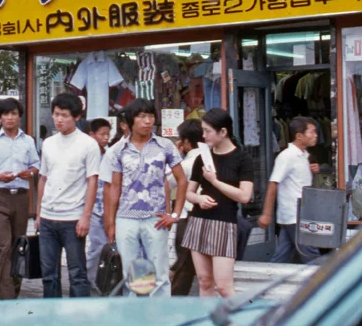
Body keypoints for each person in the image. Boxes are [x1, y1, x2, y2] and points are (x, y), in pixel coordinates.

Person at [103, 99, 187, 297]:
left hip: (155, 218)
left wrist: (174, 214)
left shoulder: (165, 146)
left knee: (159, 273)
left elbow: (181, 180)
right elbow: (114, 187)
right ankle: (135, 320)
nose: (147, 121)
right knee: (132, 275)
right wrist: (111, 222)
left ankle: (159, 319)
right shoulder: (118, 149)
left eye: (150, 116)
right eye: (142, 116)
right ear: (131, 121)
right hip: (126, 218)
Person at [183, 108, 255, 298]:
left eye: (208, 131)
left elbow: (244, 196)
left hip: (225, 223)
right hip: (199, 221)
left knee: (223, 286)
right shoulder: (202, 158)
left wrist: (214, 181)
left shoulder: (243, 159)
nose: (204, 135)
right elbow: (188, 193)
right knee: (204, 281)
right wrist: (199, 198)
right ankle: (207, 324)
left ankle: (234, 324)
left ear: (223, 132)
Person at [37, 93, 101, 298]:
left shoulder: (88, 144)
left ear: (76, 117)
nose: (59, 119)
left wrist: (85, 217)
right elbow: (43, 179)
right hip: (48, 218)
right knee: (48, 274)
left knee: (77, 274)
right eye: (56, 114)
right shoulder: (48, 143)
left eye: (64, 115)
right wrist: (38, 214)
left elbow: (93, 181)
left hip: (73, 219)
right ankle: (52, 316)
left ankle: (78, 319)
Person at [0, 97, 40, 300]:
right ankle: (6, 297)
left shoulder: (28, 140)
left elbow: (36, 166)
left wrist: (28, 173)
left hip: (21, 198)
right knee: (2, 247)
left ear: (20, 116)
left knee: (18, 246)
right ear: (0, 118)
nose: (10, 118)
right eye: (6, 114)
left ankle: (14, 292)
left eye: (13, 114)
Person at [258, 117, 321, 264]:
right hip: (295, 214)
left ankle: (270, 280)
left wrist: (314, 171)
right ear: (299, 136)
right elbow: (273, 183)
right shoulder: (286, 156)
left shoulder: (304, 156)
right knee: (311, 254)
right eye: (311, 132)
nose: (316, 135)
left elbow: (298, 180)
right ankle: (324, 284)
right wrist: (267, 214)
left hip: (297, 214)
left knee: (282, 255)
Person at [169, 119, 203, 296]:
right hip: (205, 217)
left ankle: (174, 300)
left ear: (186, 141)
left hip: (186, 218)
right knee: (188, 265)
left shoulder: (187, 164)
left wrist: (175, 154)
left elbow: (166, 182)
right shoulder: (210, 158)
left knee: (183, 268)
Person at [84, 117, 113, 290]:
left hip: (109, 208)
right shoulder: (86, 154)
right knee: (97, 247)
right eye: (102, 134)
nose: (106, 138)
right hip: (93, 209)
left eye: (108, 134)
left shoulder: (110, 154)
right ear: (91, 135)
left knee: (108, 246)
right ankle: (91, 280)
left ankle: (105, 280)